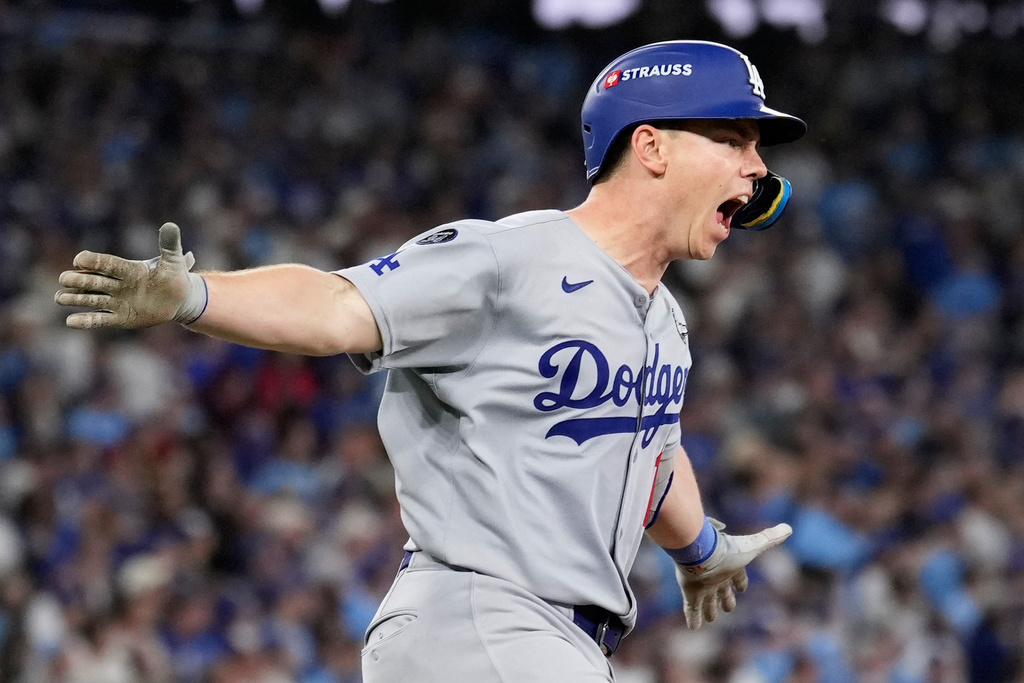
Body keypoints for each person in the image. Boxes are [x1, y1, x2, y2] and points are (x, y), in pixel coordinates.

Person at [56, 40, 806, 682]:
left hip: (555, 644)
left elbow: (651, 451)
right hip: (481, 620)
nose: (757, 168)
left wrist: (701, 550)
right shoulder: (510, 258)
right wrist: (195, 294)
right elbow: (336, 307)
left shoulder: (666, 318)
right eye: (733, 139)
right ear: (652, 147)